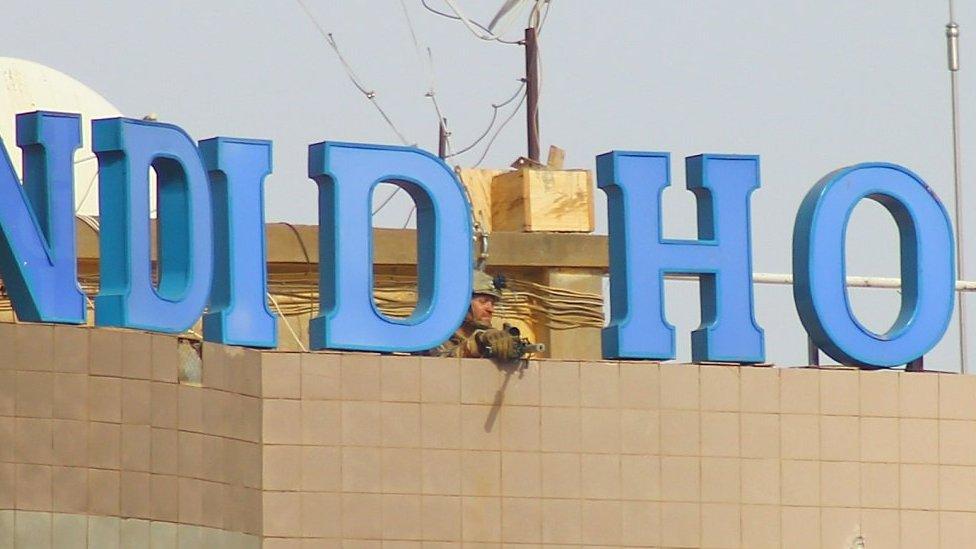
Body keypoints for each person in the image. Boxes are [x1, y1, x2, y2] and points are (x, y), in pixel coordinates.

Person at [429, 270, 520, 359]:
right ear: (461, 304)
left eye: (493, 304)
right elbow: (440, 364)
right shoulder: (434, 338)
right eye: (483, 302)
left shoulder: (491, 340)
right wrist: (478, 344)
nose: (491, 309)